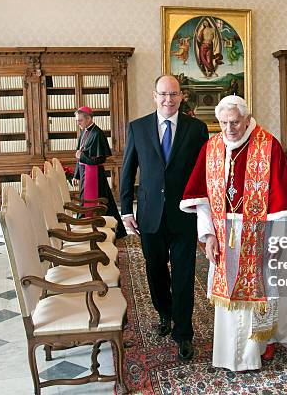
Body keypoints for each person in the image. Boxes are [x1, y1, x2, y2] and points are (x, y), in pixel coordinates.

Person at [180, 95, 287, 372]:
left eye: (235, 122)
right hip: (224, 232)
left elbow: (284, 205)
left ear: (248, 119)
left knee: (267, 287)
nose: (229, 129)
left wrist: (278, 240)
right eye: (223, 123)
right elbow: (202, 200)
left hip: (262, 232)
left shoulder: (268, 145)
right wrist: (208, 236)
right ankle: (233, 351)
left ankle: (264, 341)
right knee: (228, 290)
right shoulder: (212, 147)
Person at [119, 75, 209, 360]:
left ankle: (184, 333)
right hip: (149, 214)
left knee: (183, 275)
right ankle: (164, 313)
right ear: (154, 95)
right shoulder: (138, 127)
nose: (168, 99)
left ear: (181, 96)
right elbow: (127, 170)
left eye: (173, 94)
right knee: (155, 269)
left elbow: (206, 173)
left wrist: (208, 211)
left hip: (184, 215)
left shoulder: (197, 129)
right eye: (163, 94)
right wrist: (125, 210)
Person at [73, 106, 126, 239]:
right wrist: (76, 174)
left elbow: (99, 158)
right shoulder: (84, 133)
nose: (78, 123)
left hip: (95, 175)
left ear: (89, 118)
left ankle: (114, 231)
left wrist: (82, 157)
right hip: (85, 173)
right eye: (77, 121)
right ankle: (85, 227)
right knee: (88, 201)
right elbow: (79, 156)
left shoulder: (97, 134)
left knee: (103, 202)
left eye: (80, 120)